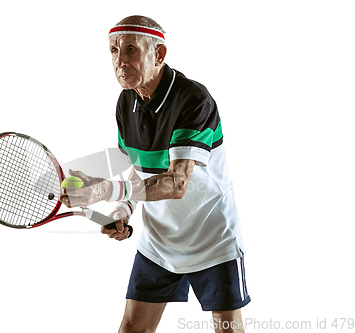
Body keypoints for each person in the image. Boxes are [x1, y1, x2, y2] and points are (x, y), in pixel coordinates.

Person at [60, 15, 250, 333]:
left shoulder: (193, 100)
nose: (120, 60)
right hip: (159, 243)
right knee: (132, 330)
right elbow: (137, 173)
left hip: (212, 240)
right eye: (113, 50)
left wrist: (103, 190)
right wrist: (124, 210)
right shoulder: (126, 102)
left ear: (158, 54)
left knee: (228, 331)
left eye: (131, 49)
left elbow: (176, 183)